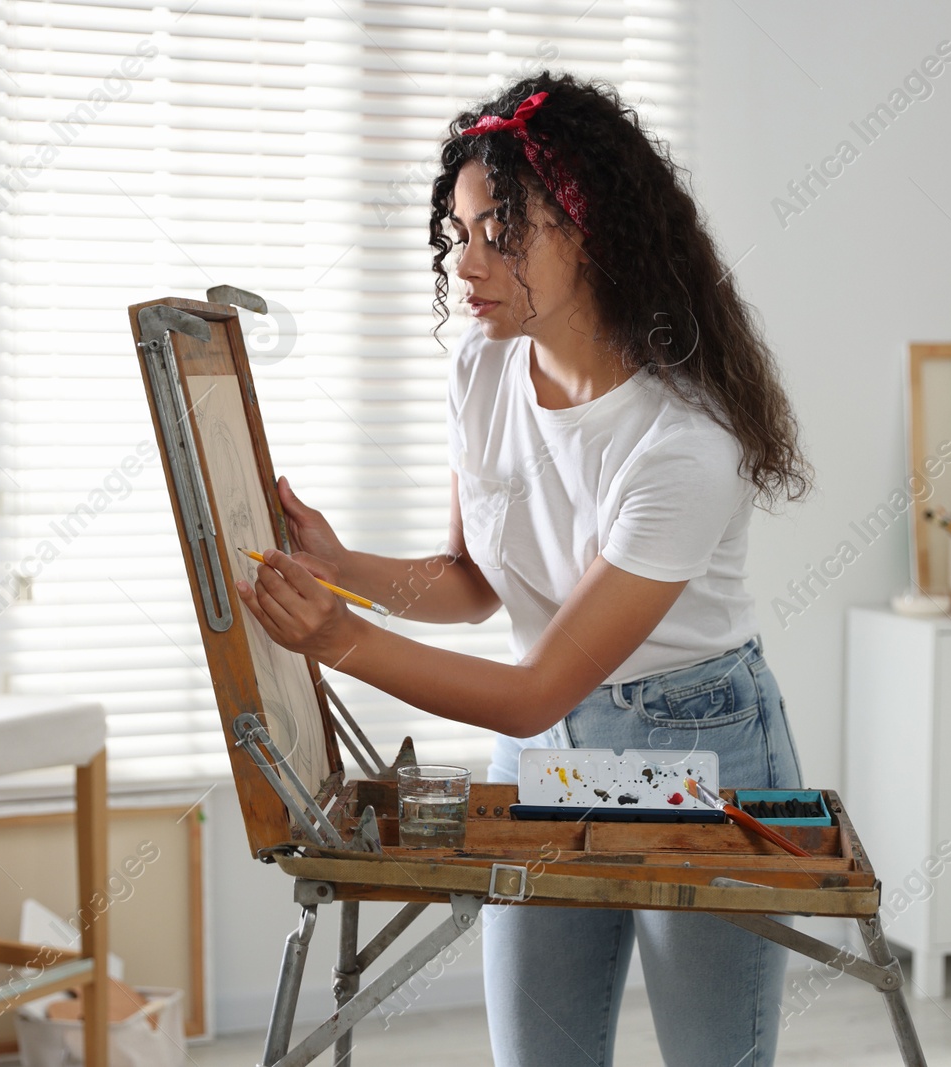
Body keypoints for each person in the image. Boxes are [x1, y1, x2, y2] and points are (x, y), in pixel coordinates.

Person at [234, 70, 812, 1067]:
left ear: (590, 228)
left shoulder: (682, 444)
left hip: (696, 746)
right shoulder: (483, 366)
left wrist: (337, 636)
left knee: (714, 1055)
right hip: (546, 744)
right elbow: (475, 581)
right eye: (457, 232)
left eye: (503, 229)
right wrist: (338, 567)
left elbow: (532, 683)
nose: (468, 261)